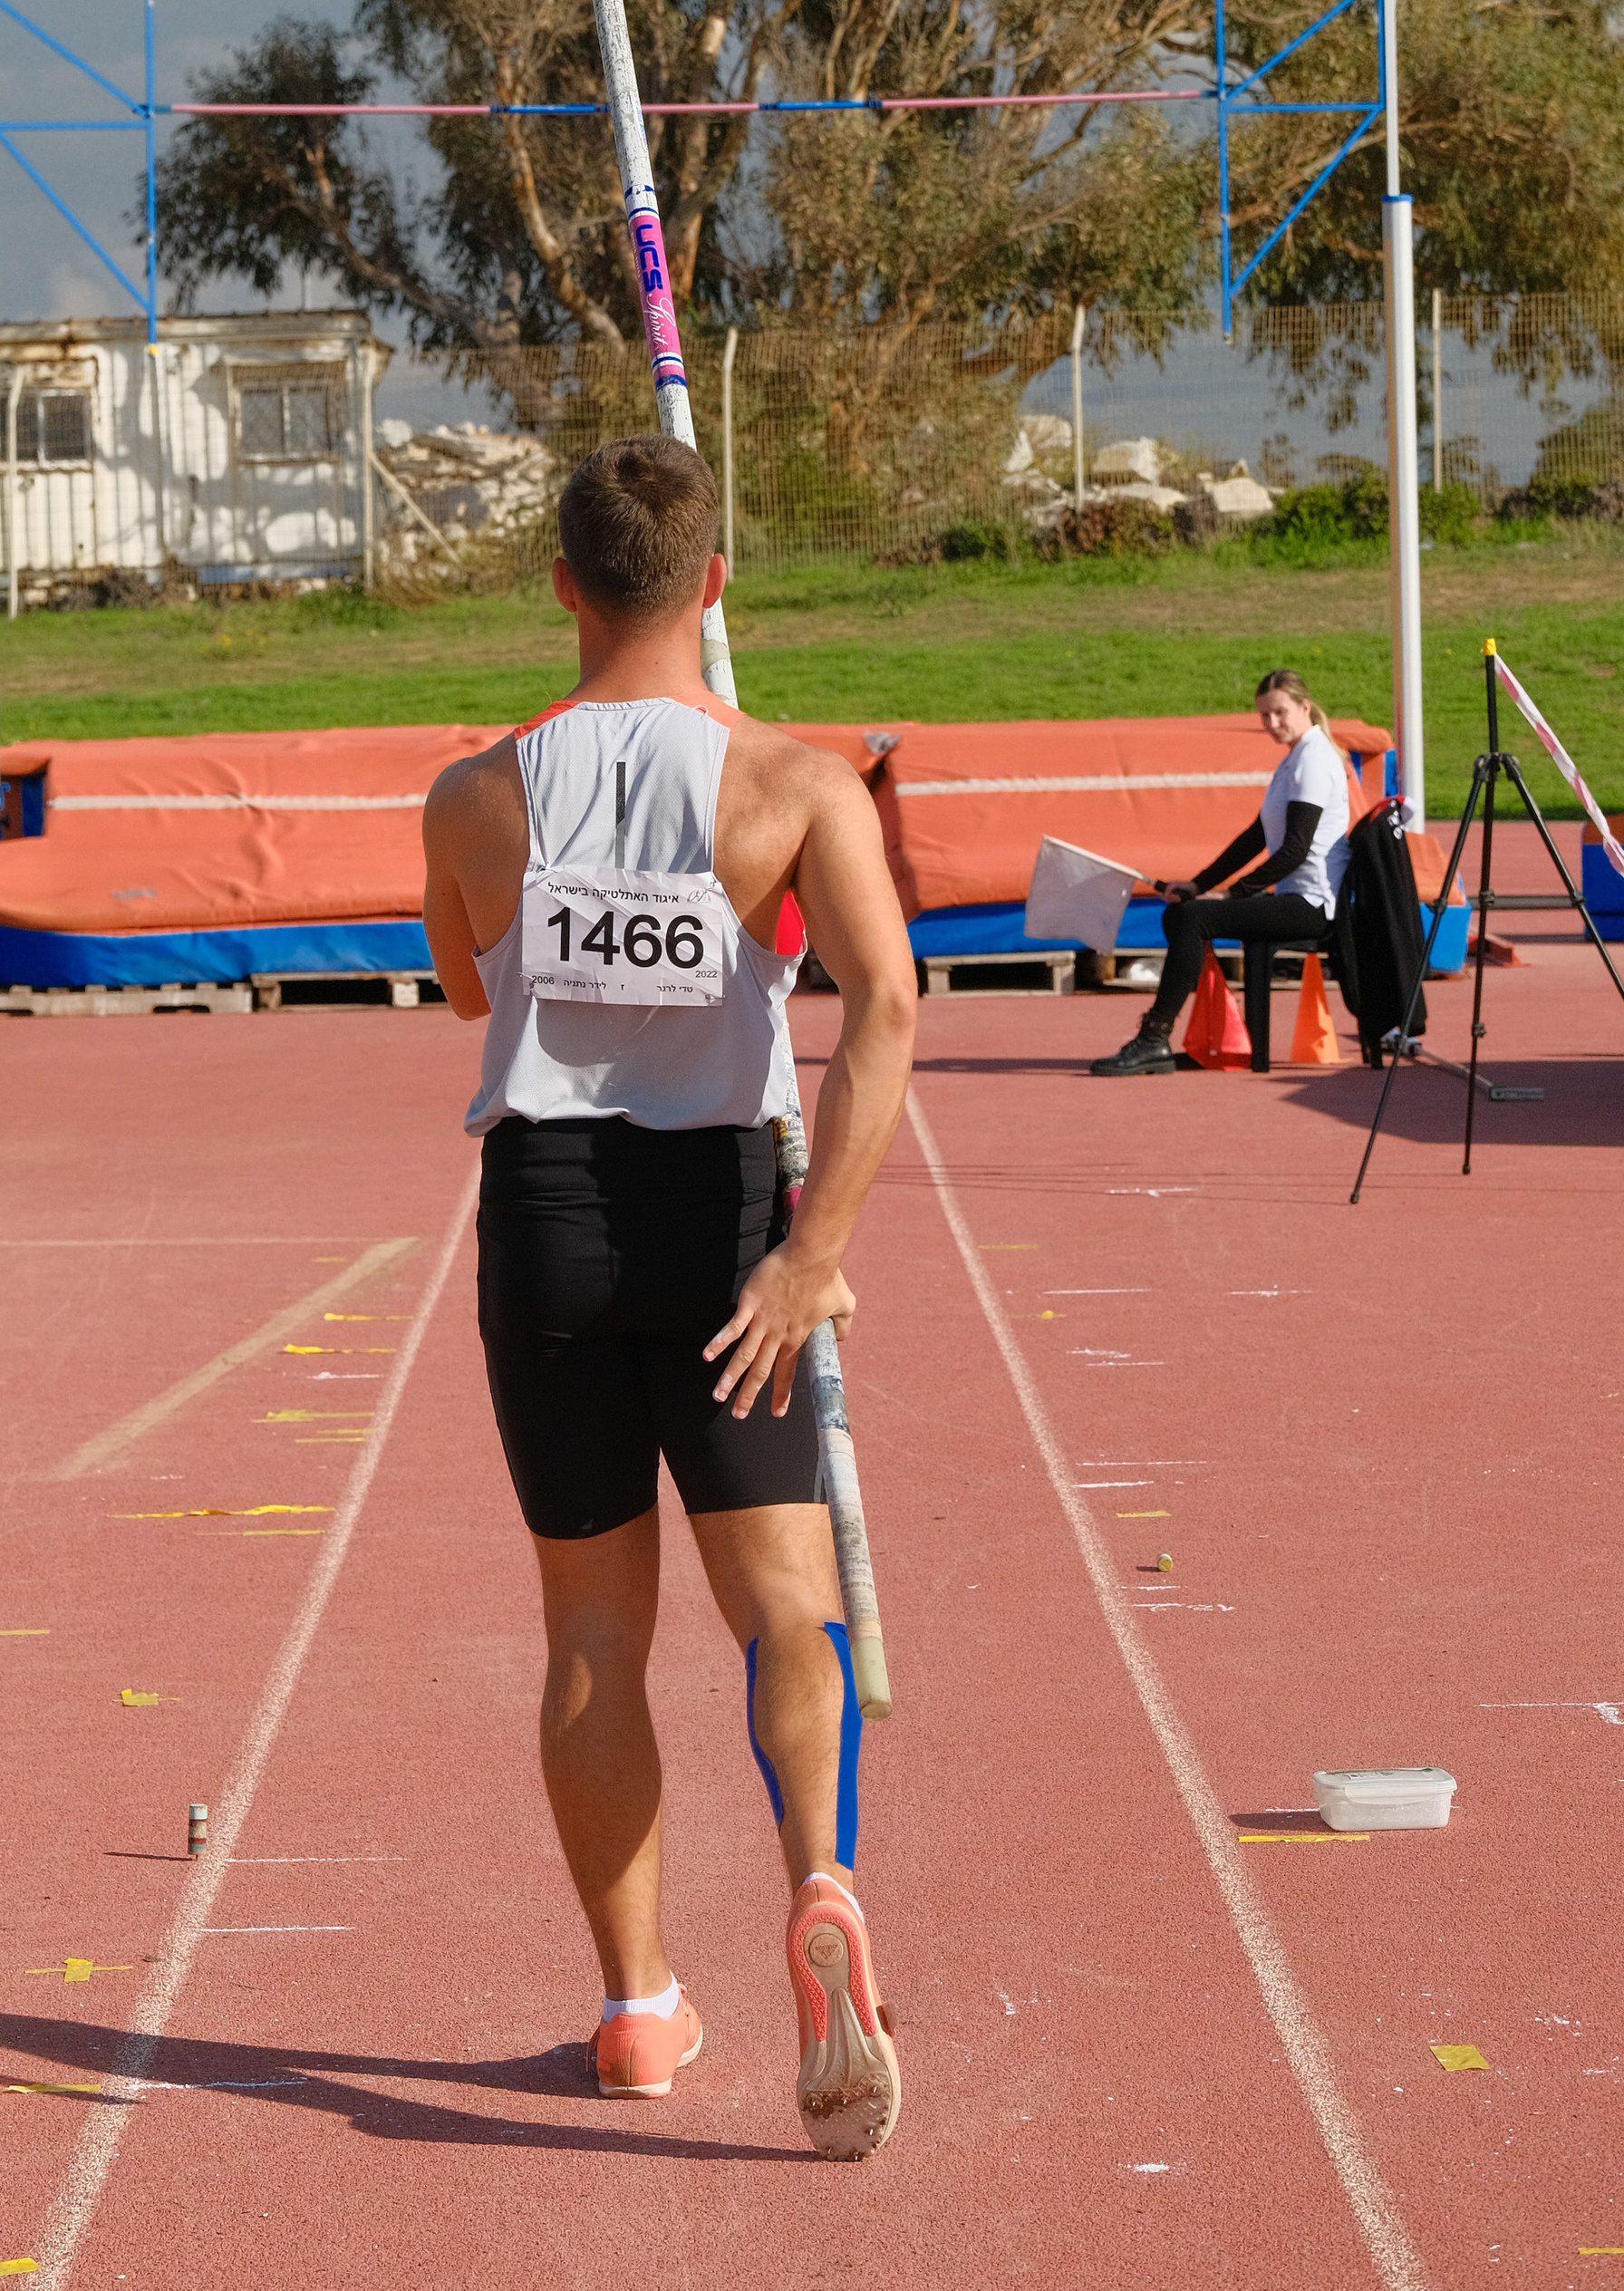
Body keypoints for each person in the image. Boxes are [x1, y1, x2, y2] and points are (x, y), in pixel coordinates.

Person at [420, 436, 917, 2158]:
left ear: (561, 584)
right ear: (715, 583)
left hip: (549, 1213)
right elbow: (892, 1015)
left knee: (590, 1633)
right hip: (728, 1224)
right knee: (786, 1612)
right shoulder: (792, 786)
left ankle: (638, 2011)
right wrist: (816, 1254)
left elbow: (459, 974)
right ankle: (818, 1879)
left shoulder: (474, 794)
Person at [1092, 666, 1352, 1076]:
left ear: (1304, 707)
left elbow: (1296, 851)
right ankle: (1187, 1038)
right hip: (1292, 897)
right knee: (1185, 910)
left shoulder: (1314, 762)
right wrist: (1198, 884)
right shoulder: (1295, 760)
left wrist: (1232, 895)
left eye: (1280, 712)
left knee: (1191, 918)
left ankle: (1155, 1038)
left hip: (1311, 905)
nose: (1272, 723)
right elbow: (1254, 837)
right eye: (1264, 716)